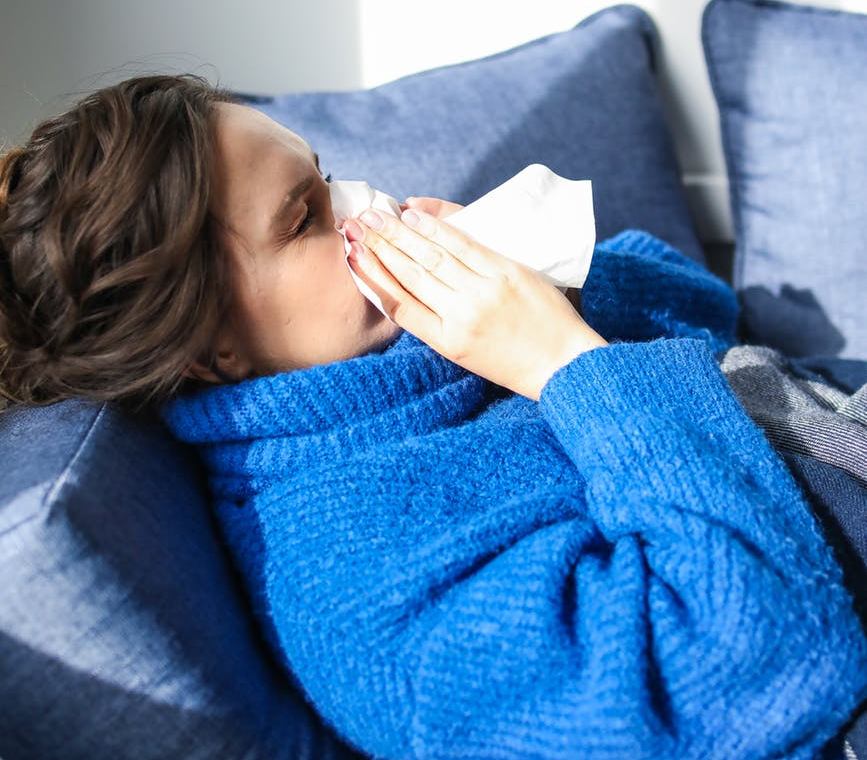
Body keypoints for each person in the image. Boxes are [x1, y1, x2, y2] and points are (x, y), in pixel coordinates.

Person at [1, 75, 866, 760]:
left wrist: (548, 288)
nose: (366, 202)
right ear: (206, 346)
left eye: (328, 173)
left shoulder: (412, 355)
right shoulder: (351, 583)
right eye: (306, 215)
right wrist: (564, 365)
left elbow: (705, 313)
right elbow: (749, 675)